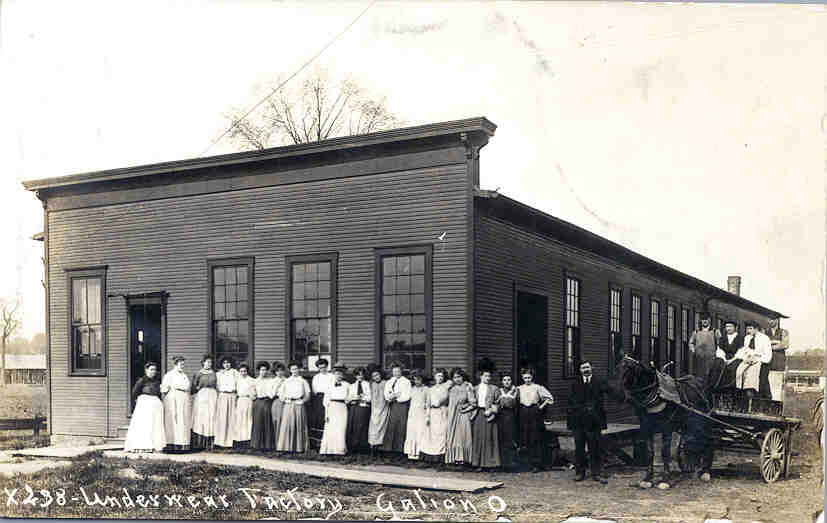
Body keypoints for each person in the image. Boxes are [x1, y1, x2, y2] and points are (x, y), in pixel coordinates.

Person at [567, 361, 622, 483]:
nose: (585, 369)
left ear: (592, 367)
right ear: (580, 370)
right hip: (579, 421)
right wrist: (579, 412)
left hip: (594, 421)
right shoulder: (575, 383)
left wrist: (623, 397)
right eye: (582, 368)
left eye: (587, 367)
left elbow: (612, 393)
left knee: (595, 447)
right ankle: (580, 473)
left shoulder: (600, 382)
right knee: (579, 448)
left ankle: (597, 473)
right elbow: (571, 401)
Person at [517, 367, 553, 472]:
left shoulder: (538, 387)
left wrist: (540, 407)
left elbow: (549, 398)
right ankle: (526, 463)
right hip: (523, 412)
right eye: (525, 378)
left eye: (529, 377)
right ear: (522, 378)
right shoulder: (519, 388)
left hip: (534, 412)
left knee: (535, 437)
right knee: (525, 436)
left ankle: (536, 464)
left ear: (532, 377)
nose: (527, 379)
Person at [124, 362, 166, 453]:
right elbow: (134, 393)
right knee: (145, 425)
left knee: (154, 425)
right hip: (145, 405)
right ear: (146, 370)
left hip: (155, 405)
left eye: (154, 370)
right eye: (151, 369)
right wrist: (138, 403)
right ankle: (142, 446)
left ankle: (154, 445)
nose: (153, 372)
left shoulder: (157, 381)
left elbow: (159, 393)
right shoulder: (142, 380)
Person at [472, 359, 501, 471]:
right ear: (481, 376)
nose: (487, 378)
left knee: (490, 439)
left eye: (489, 376)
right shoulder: (475, 388)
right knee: (478, 438)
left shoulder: (494, 389)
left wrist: (492, 410)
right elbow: (471, 401)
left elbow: (498, 402)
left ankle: (490, 464)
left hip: (489, 415)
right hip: (479, 413)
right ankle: (478, 463)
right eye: (485, 376)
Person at [276, 361, 312, 453]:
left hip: (299, 404)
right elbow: (280, 393)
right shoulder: (286, 381)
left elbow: (308, 394)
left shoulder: (303, 381)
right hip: (288, 404)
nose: (294, 371)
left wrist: (302, 401)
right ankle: (286, 447)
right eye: (292, 369)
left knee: (299, 424)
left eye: (296, 369)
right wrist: (285, 399)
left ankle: (299, 447)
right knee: (287, 425)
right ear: (290, 370)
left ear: (299, 369)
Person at [420, 368, 453, 463]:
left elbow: (440, 401)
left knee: (441, 434)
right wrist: (427, 416)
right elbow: (428, 403)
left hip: (442, 412)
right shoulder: (431, 389)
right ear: (435, 377)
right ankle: (430, 459)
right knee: (430, 434)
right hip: (433, 413)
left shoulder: (446, 388)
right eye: (438, 376)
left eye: (442, 376)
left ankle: (440, 458)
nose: (440, 378)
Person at [445, 368, 476, 466]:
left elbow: (473, 403)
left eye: (459, 377)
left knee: (463, 436)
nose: (457, 379)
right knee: (453, 436)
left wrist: (465, 409)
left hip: (463, 415)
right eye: (455, 377)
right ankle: (454, 458)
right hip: (452, 415)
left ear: (463, 377)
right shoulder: (452, 389)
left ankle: (464, 459)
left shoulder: (468, 387)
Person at [734, 321, 773, 398]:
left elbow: (768, 355)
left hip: (761, 361)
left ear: (756, 329)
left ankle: (751, 392)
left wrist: (757, 359)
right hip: (749, 360)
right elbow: (744, 350)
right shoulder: (747, 338)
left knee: (752, 374)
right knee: (739, 370)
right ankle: (740, 391)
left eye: (750, 329)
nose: (748, 331)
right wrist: (745, 358)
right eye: (747, 329)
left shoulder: (764, 338)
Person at [161, 356, 192, 452]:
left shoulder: (184, 375)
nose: (182, 366)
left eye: (183, 364)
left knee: (183, 420)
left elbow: (187, 387)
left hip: (183, 399)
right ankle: (171, 444)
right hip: (173, 399)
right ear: (175, 364)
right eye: (181, 364)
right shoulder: (169, 375)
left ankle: (182, 444)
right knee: (173, 420)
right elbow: (164, 389)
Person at [382, 362, 412, 454]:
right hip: (392, 405)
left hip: (402, 406)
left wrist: (397, 397)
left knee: (401, 426)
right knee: (392, 426)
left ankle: (400, 449)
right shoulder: (390, 381)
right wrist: (392, 396)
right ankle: (390, 449)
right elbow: (386, 394)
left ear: (401, 371)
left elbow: (407, 395)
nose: (396, 373)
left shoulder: (406, 382)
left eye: (398, 371)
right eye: (394, 371)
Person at [320, 362, 349, 456]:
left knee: (341, 428)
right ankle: (329, 450)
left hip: (342, 408)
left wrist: (347, 401)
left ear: (343, 375)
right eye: (337, 373)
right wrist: (326, 414)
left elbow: (349, 398)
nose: (339, 375)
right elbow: (326, 401)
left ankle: (340, 450)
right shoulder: (329, 385)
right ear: (334, 374)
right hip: (332, 407)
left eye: (341, 374)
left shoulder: (347, 385)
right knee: (331, 428)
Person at [191, 354, 218, 450]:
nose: (209, 364)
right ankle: (199, 442)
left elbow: (217, 385)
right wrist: (198, 389)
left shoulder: (214, 373)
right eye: (207, 362)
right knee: (201, 417)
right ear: (203, 363)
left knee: (211, 416)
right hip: (202, 395)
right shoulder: (198, 373)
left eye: (210, 362)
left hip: (212, 395)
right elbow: (194, 386)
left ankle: (210, 442)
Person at [404, 370, 429, 460]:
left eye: (419, 379)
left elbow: (428, 402)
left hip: (421, 413)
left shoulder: (426, 389)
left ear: (422, 379)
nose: (417, 381)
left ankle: (419, 453)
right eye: (415, 379)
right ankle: (411, 453)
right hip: (412, 413)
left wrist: (427, 414)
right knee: (412, 432)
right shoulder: (412, 389)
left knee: (420, 432)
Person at [345, 367, 372, 453]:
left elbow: (371, 398)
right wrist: (353, 398)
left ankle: (363, 447)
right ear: (355, 376)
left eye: (361, 374)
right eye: (358, 375)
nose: (359, 376)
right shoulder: (352, 386)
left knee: (362, 426)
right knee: (353, 426)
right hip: (354, 408)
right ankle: (353, 447)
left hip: (364, 407)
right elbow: (347, 399)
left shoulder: (368, 385)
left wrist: (363, 397)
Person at [214, 356, 238, 449]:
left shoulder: (235, 373)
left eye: (228, 363)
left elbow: (238, 384)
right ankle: (220, 441)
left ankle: (230, 442)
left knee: (231, 418)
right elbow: (217, 386)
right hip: (222, 396)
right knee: (222, 418)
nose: (226, 365)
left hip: (232, 396)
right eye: (224, 363)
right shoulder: (219, 374)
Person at [496, 373, 519, 471]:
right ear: (502, 381)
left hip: (512, 416)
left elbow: (516, 404)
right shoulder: (499, 391)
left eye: (509, 380)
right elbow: (496, 403)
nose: (506, 382)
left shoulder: (515, 391)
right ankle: (502, 463)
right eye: (504, 380)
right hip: (501, 417)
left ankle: (511, 463)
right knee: (501, 439)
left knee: (511, 439)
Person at [251, 362, 276, 450]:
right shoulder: (255, 381)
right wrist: (253, 396)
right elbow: (252, 392)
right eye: (262, 370)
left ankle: (268, 445)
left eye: (265, 370)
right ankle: (257, 445)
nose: (263, 372)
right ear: (259, 371)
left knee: (267, 422)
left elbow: (272, 391)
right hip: (258, 402)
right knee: (258, 422)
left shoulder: (270, 380)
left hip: (267, 401)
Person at [310, 358, 334, 448]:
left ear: (327, 366)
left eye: (324, 367)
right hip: (319, 399)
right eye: (320, 368)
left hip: (329, 398)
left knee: (328, 418)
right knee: (319, 419)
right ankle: (317, 443)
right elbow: (314, 390)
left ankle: (328, 442)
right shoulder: (316, 377)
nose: (322, 369)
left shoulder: (332, 376)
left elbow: (332, 388)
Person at [689, 314, 719, 384]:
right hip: (699, 358)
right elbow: (691, 343)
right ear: (700, 321)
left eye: (707, 320)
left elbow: (719, 344)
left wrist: (717, 353)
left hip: (711, 358)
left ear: (710, 320)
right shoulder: (696, 332)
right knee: (699, 376)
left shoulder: (715, 332)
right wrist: (693, 350)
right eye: (703, 320)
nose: (705, 321)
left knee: (710, 376)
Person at [232, 363, 256, 449]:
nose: (243, 373)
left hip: (248, 400)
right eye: (241, 371)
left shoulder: (252, 380)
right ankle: (239, 440)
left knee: (248, 419)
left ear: (247, 371)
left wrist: (251, 396)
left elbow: (254, 392)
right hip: (240, 401)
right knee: (240, 420)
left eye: (245, 371)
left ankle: (248, 440)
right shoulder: (237, 380)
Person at [368, 365, 389, 456]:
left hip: (383, 407)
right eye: (373, 376)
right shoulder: (372, 384)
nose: (376, 377)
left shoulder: (385, 383)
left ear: (380, 375)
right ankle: (372, 447)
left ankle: (380, 448)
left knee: (382, 426)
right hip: (374, 408)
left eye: (377, 375)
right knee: (373, 427)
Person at [270, 362, 287, 445]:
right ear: (275, 372)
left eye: (281, 370)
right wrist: (277, 385)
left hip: (287, 402)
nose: (279, 372)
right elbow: (271, 394)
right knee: (277, 421)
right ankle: (277, 443)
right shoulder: (272, 381)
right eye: (277, 371)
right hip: (276, 402)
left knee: (285, 421)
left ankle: (285, 443)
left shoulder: (287, 380)